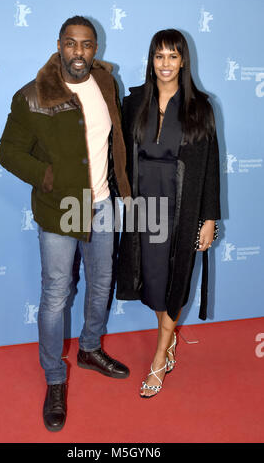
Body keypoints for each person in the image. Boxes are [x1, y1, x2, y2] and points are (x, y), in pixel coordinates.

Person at [0, 16, 131, 431]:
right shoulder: (33, 95)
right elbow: (7, 152)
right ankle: (55, 378)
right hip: (60, 207)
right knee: (57, 293)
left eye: (87, 44)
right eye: (71, 44)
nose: (79, 52)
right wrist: (47, 177)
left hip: (104, 204)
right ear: (59, 45)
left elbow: (113, 141)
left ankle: (90, 348)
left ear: (95, 48)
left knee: (101, 282)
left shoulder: (107, 83)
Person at [116, 29, 220, 398]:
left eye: (173, 56)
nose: (165, 63)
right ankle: (169, 339)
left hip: (181, 208)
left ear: (183, 61)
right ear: (151, 60)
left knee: (175, 281)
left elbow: (210, 165)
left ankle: (160, 356)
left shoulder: (200, 107)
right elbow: (120, 153)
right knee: (152, 280)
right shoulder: (135, 101)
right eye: (159, 56)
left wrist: (209, 218)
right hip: (143, 207)